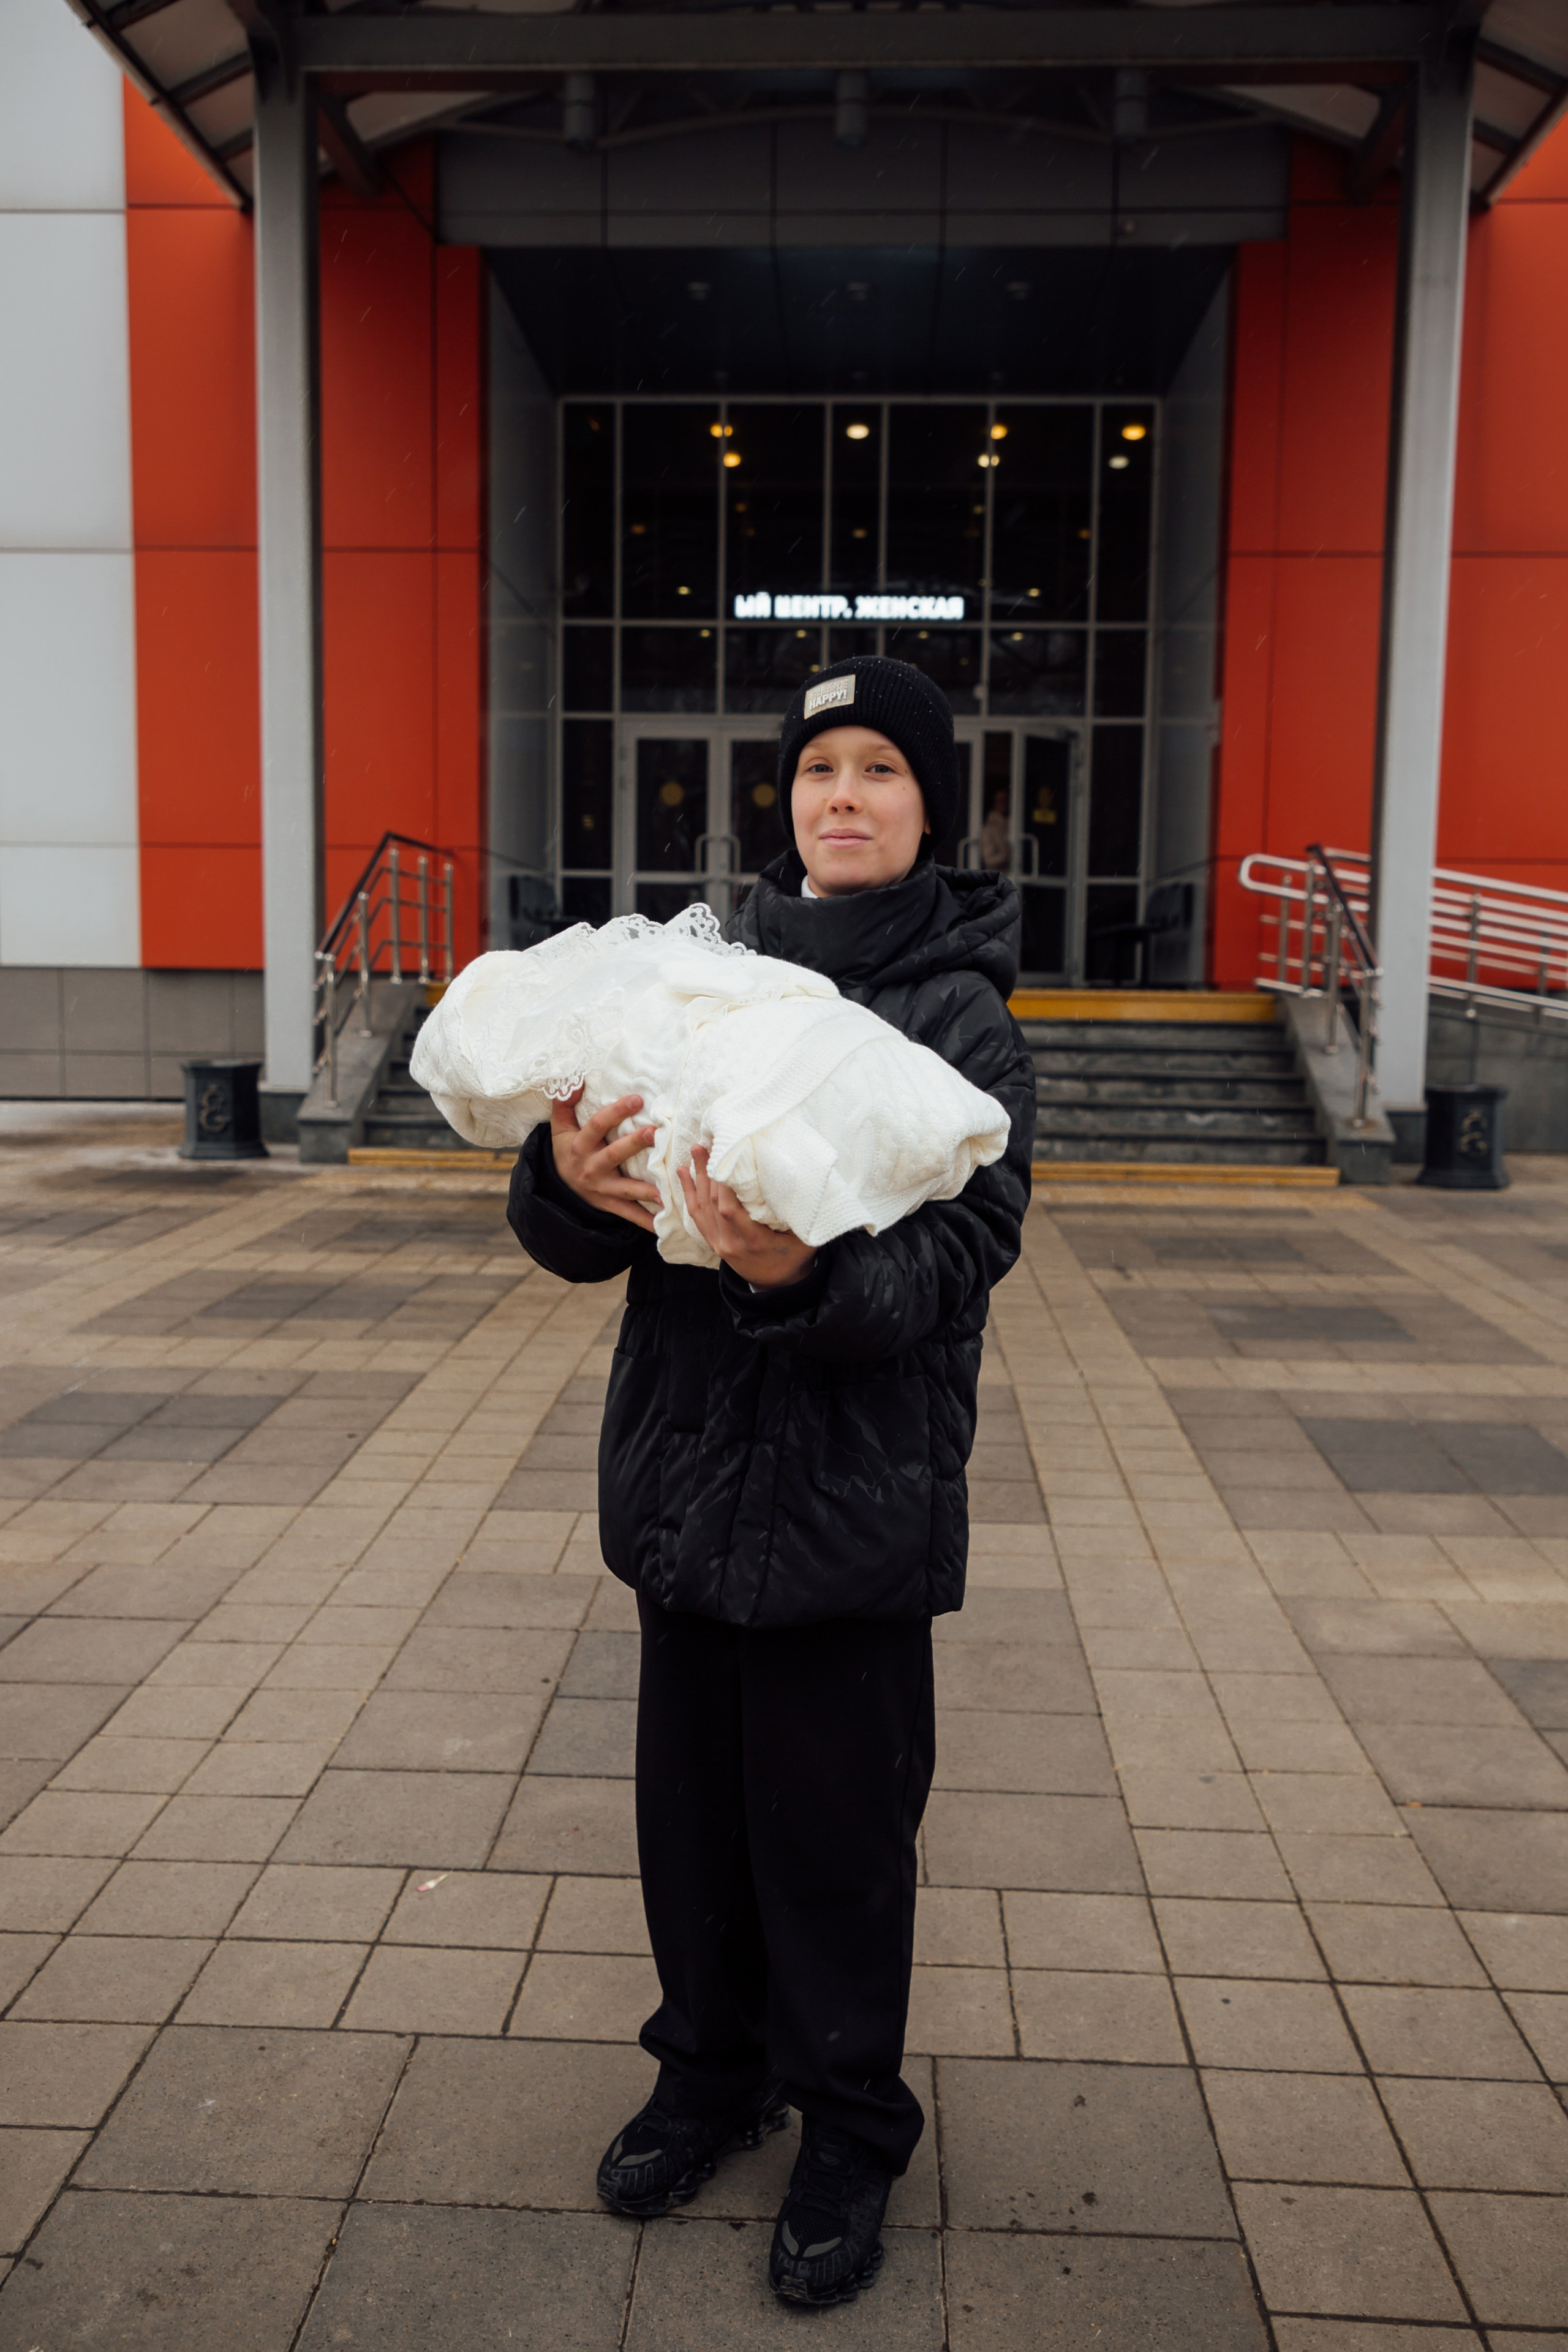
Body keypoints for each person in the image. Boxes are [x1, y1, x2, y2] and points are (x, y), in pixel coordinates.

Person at [507, 655, 1035, 2308]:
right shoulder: (701, 982)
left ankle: (853, 2127)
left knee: (836, 1842)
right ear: (788, 803)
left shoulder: (964, 1016)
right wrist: (572, 1183)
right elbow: (572, 1231)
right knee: (693, 1832)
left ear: (929, 805)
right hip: (683, 1494)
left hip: (852, 1514)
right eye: (822, 771)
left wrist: (809, 1276)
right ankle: (709, 2079)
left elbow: (960, 1262)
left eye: (882, 769)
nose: (847, 796)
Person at [981, 783, 1012, 873]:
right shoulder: (990, 828)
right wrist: (1006, 855)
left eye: (1007, 800)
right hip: (996, 878)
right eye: (1001, 801)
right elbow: (989, 859)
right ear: (994, 803)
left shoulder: (1012, 823)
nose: (1005, 804)